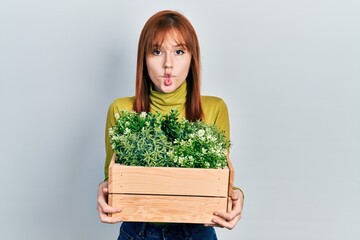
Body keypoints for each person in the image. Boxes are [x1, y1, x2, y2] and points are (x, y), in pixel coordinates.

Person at [97, 10, 244, 240]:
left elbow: (221, 180)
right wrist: (104, 191)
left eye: (178, 51)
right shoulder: (121, 109)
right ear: (143, 59)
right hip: (138, 231)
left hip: (196, 232)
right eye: (157, 52)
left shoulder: (215, 109)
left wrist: (237, 196)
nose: (168, 64)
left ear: (192, 57)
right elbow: (113, 177)